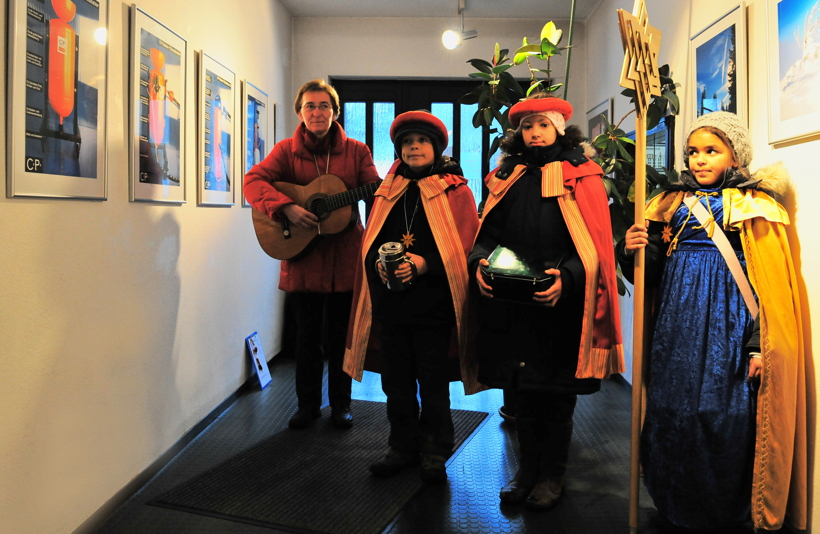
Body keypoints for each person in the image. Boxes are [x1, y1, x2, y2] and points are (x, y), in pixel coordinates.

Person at [618, 111, 806, 531]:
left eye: (711, 151)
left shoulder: (758, 206)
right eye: (692, 152)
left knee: (724, 415)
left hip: (732, 327)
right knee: (671, 410)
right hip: (676, 329)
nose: (699, 160)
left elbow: (770, 290)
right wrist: (630, 249)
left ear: (735, 156)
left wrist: (760, 343)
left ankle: (724, 510)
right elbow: (648, 274)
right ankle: (676, 503)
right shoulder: (667, 203)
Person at [468, 95, 624, 510]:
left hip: (561, 306)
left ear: (559, 127)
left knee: (555, 399)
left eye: (542, 124)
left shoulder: (582, 175)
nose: (534, 133)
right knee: (522, 399)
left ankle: (552, 477)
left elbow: (592, 241)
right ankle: (525, 473)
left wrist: (568, 279)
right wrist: (478, 262)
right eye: (527, 126)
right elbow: (487, 233)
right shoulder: (506, 176)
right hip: (513, 303)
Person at [343, 111, 481, 484]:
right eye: (407, 142)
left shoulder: (456, 191)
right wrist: (381, 266)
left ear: (436, 147)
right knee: (396, 385)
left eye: (421, 141)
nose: (414, 147)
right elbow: (371, 242)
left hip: (433, 308)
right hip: (392, 307)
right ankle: (401, 446)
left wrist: (423, 264)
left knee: (433, 385)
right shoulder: (386, 191)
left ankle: (435, 451)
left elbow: (463, 248)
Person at [245, 79, 380, 430]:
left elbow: (374, 191)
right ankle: (307, 406)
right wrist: (286, 207)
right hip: (302, 257)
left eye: (323, 106)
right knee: (305, 339)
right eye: (310, 106)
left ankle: (341, 406)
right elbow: (253, 181)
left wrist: (385, 192)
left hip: (345, 257)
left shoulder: (357, 151)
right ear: (300, 112)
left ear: (334, 111)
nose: (317, 112)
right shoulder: (286, 152)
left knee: (340, 340)